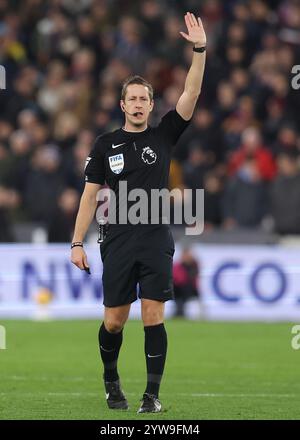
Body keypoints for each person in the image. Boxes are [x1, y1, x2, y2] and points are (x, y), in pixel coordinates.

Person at [70, 12, 206, 414]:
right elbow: (88, 196)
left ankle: (151, 396)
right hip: (117, 239)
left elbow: (192, 93)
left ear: (151, 104)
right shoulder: (105, 144)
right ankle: (111, 381)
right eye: (132, 98)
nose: (139, 104)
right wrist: (77, 242)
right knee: (114, 321)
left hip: (154, 238)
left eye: (145, 98)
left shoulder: (164, 134)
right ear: (122, 104)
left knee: (153, 316)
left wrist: (199, 50)